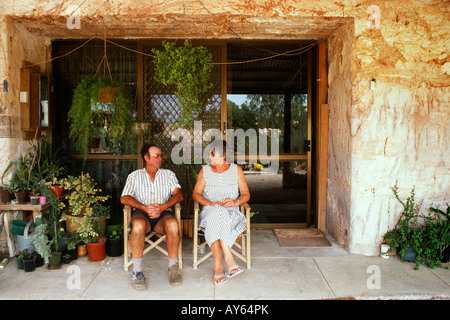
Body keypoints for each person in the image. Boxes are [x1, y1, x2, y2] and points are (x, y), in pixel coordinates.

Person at [121, 143, 183, 290]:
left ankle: (173, 267)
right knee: (137, 226)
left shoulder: (168, 175)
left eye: (160, 156)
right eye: (156, 156)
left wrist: (163, 206)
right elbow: (125, 198)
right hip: (142, 213)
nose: (160, 158)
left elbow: (179, 195)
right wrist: (144, 207)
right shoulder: (134, 176)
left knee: (173, 224)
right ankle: (136, 271)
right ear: (146, 158)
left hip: (163, 214)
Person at [192, 140, 250, 285]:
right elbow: (196, 195)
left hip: (232, 214)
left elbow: (245, 194)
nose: (210, 158)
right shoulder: (204, 171)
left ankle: (218, 266)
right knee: (217, 210)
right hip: (209, 213)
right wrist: (211, 203)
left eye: (213, 154)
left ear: (223, 155)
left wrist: (235, 202)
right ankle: (229, 259)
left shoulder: (237, 170)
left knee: (221, 211)